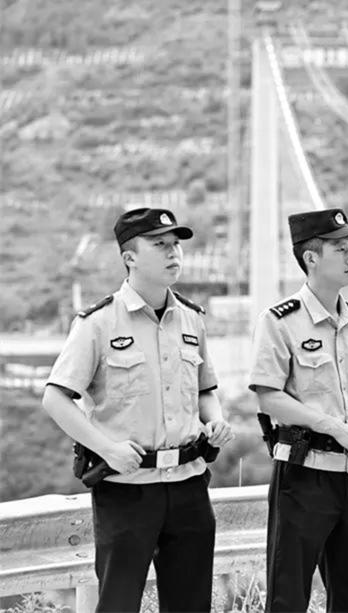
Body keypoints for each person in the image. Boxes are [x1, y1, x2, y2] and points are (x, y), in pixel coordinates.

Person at [42, 207, 234, 613]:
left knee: (191, 605)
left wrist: (215, 419)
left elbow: (206, 391)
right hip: (127, 491)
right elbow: (55, 398)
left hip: (188, 485)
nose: (173, 252)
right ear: (129, 257)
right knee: (118, 604)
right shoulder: (97, 323)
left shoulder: (192, 319)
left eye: (176, 244)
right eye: (160, 244)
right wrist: (107, 448)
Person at [248, 208, 348, 613]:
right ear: (311, 258)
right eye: (340, 249)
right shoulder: (279, 321)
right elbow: (268, 397)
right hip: (304, 476)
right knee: (288, 598)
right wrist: (334, 427)